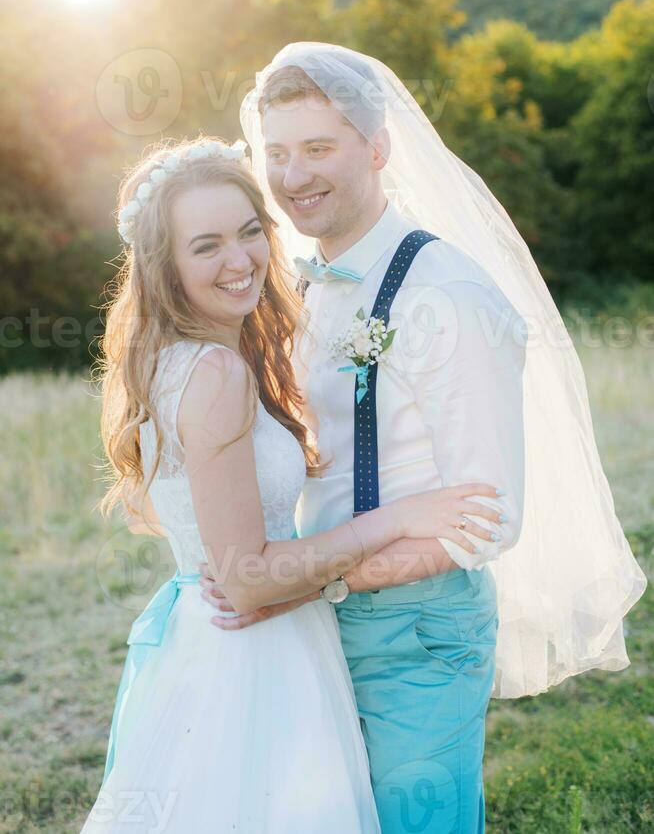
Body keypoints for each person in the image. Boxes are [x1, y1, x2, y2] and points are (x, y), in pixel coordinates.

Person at [199, 42, 647, 833]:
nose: (292, 175)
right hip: (314, 621)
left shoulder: (447, 295)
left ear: (376, 149)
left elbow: (486, 522)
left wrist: (311, 586)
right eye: (276, 153)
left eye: (317, 148)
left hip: (415, 632)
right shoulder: (302, 281)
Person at [80, 135, 504, 833]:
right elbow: (247, 579)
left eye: (250, 232)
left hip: (208, 631)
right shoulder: (215, 374)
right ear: (165, 265)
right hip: (253, 654)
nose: (241, 259)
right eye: (206, 245)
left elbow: (166, 516)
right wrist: (399, 518)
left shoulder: (171, 358)